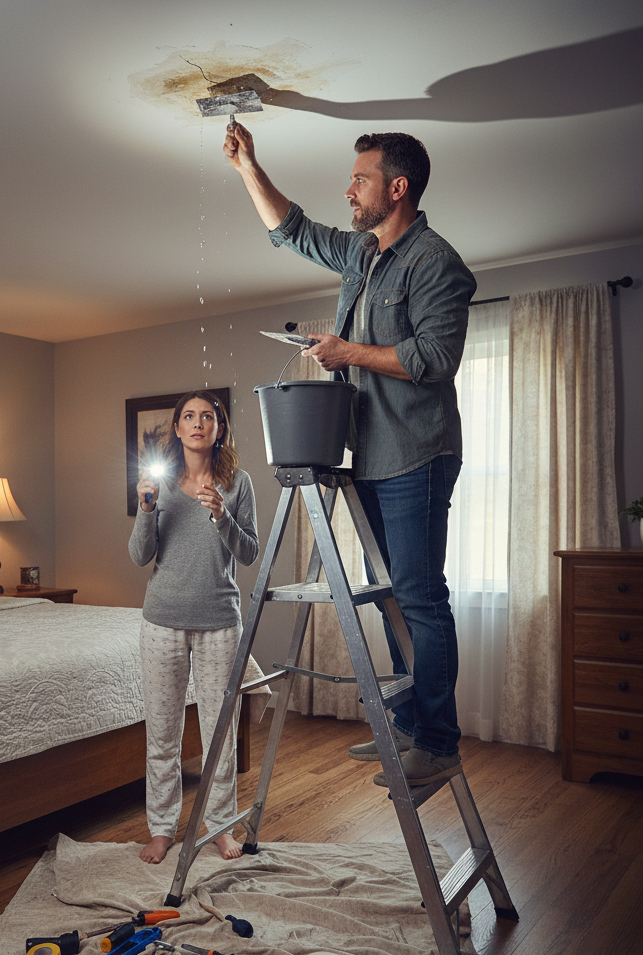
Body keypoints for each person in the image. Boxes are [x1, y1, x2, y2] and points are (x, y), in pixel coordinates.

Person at [224, 124, 476, 787]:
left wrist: (345, 352)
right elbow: (294, 230)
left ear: (398, 188)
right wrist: (250, 166)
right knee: (389, 597)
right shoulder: (362, 255)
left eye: (360, 178)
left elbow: (432, 359)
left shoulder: (436, 263)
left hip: (416, 457)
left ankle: (439, 742)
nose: (349, 188)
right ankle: (412, 728)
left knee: (419, 598)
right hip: (364, 458)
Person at [129, 390, 259, 862]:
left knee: (219, 731)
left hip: (220, 622)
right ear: (178, 429)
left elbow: (249, 553)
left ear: (219, 429)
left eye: (208, 416)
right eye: (189, 416)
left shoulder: (238, 483)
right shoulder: (157, 486)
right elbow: (140, 555)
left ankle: (221, 826)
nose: (198, 423)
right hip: (162, 620)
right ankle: (162, 830)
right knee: (162, 733)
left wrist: (222, 516)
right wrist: (145, 510)